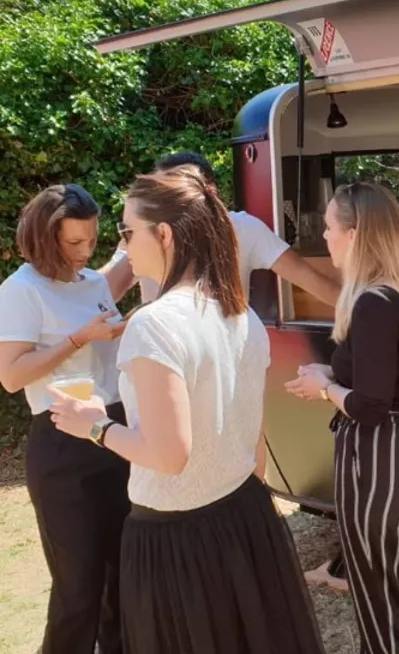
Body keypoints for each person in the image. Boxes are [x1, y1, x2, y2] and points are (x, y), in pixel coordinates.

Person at [47, 169, 326, 654]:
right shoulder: (238, 313)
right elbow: (253, 437)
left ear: (165, 234)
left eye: (127, 231)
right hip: (245, 516)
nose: (122, 245)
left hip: (176, 541)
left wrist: (92, 424)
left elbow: (169, 455)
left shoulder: (155, 325)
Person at [284, 181, 399, 654]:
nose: (326, 238)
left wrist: (326, 389)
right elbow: (389, 378)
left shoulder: (372, 303)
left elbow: (371, 408)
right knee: (393, 599)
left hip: (383, 462)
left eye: (331, 228)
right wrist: (328, 371)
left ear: (355, 234)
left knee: (379, 604)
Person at [0, 183, 128, 654]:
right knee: (78, 586)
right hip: (60, 443)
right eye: (73, 243)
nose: (84, 251)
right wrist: (77, 339)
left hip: (115, 433)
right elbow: (11, 376)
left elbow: (110, 353)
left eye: (91, 241)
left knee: (122, 573)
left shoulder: (95, 283)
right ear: (43, 237)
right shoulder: (20, 291)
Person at [99, 151, 340, 306]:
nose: (167, 199)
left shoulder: (243, 228)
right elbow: (102, 295)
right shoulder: (144, 233)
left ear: (209, 192)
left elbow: (313, 282)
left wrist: (368, 315)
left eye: (179, 189)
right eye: (162, 190)